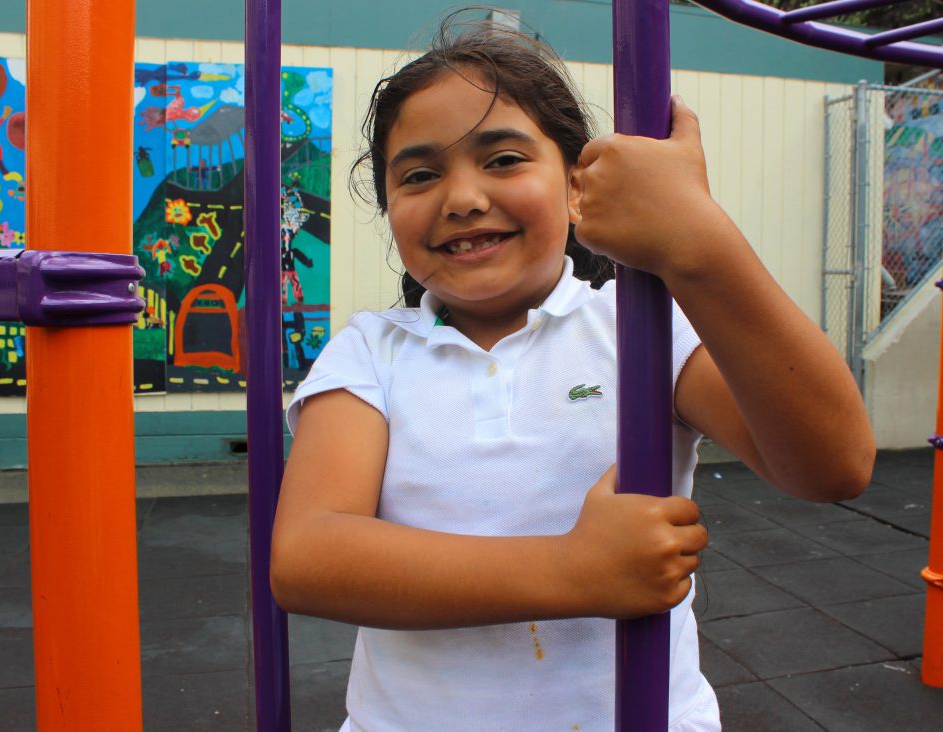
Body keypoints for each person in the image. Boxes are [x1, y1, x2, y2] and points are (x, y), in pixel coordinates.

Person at [270, 18, 874, 732]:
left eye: (502, 160)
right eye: (421, 174)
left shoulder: (639, 326)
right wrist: (573, 571)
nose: (461, 197)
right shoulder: (373, 350)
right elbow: (309, 554)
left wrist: (698, 242)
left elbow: (830, 465)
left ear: (578, 187)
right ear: (390, 207)